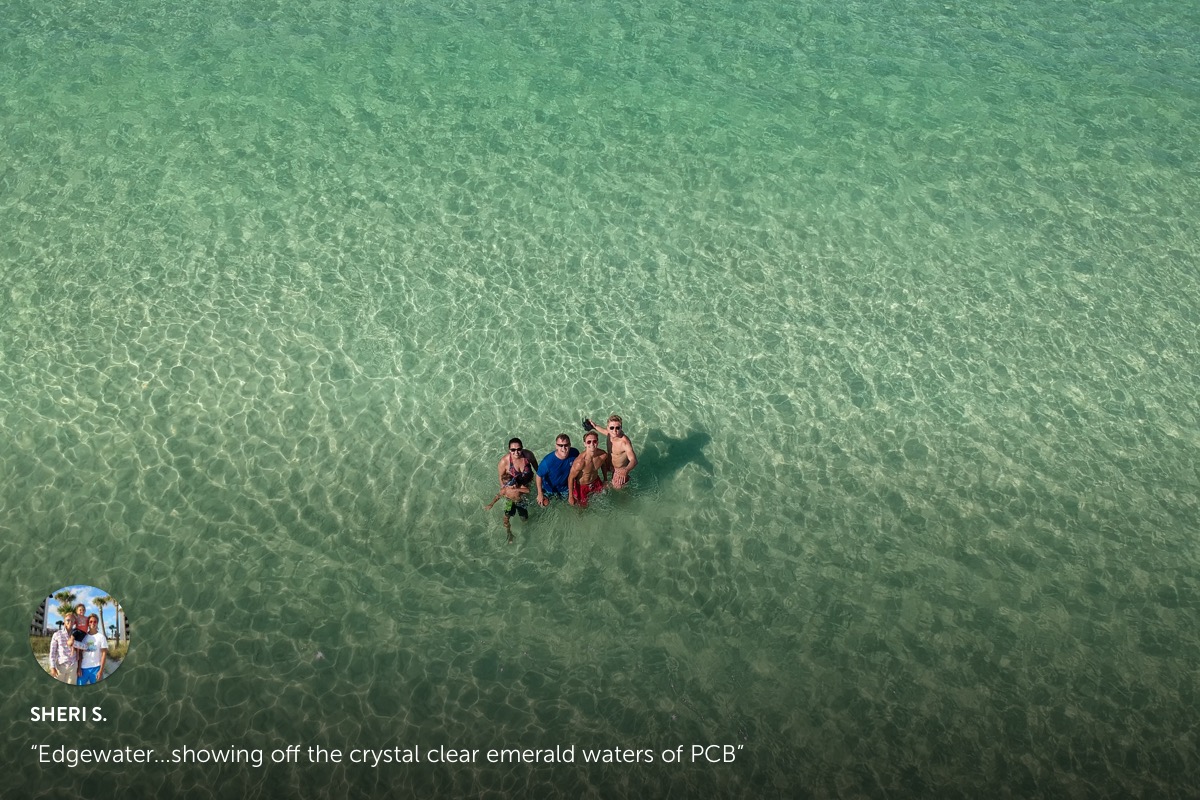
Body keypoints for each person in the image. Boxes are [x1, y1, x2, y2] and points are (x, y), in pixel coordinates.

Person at [494, 438, 538, 543]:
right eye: (513, 450)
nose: (516, 452)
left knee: (525, 514)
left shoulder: (528, 456)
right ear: (509, 450)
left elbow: (538, 469)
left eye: (519, 449)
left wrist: (540, 483)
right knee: (507, 515)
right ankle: (509, 533)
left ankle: (527, 531)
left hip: (528, 487)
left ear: (522, 448)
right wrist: (506, 491)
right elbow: (501, 478)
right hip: (513, 492)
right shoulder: (504, 462)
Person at [585, 414, 638, 488]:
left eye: (617, 428)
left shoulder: (624, 442)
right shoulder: (609, 434)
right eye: (612, 428)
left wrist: (625, 470)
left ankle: (626, 480)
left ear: (621, 428)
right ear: (608, 428)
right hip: (609, 464)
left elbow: (634, 460)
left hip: (619, 469)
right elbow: (603, 430)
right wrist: (594, 426)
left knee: (617, 487)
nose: (614, 431)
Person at [568, 431, 611, 507]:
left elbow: (603, 465)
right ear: (585, 444)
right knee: (583, 508)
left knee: (604, 498)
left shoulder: (603, 455)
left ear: (597, 442)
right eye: (589, 442)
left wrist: (605, 480)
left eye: (594, 441)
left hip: (595, 481)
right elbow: (571, 478)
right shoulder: (580, 462)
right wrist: (570, 496)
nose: (592, 444)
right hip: (582, 486)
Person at [535, 434, 579, 506]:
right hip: (549, 489)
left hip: (565, 488)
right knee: (543, 505)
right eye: (560, 445)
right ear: (556, 446)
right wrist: (540, 494)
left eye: (566, 445)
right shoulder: (547, 461)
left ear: (570, 444)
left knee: (574, 504)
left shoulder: (575, 453)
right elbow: (538, 475)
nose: (563, 448)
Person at [48, 612, 80, 685]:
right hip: (60, 666)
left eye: (72, 620)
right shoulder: (57, 634)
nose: (70, 622)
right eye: (68, 620)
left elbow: (83, 646)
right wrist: (52, 667)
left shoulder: (77, 634)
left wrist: (73, 642)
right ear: (64, 622)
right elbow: (52, 652)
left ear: (74, 622)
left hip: (73, 666)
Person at [77, 614, 108, 685]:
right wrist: (79, 668)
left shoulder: (101, 637)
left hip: (96, 668)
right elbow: (80, 654)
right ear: (88, 623)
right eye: (90, 621)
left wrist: (101, 670)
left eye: (95, 621)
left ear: (97, 623)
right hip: (83, 668)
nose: (92, 623)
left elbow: (104, 654)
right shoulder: (83, 636)